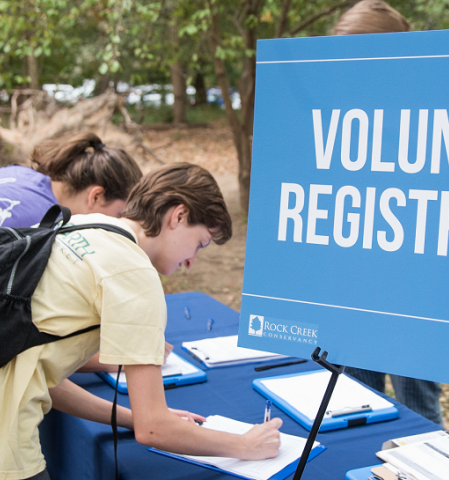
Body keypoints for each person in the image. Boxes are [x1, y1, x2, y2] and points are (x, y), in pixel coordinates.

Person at [0, 163, 282, 480]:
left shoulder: (80, 223)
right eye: (200, 243)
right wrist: (246, 445)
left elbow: (34, 373)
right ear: (178, 216)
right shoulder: (135, 275)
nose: (191, 261)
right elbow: (154, 430)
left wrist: (130, 416)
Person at [330, 0, 443, 427]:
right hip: (350, 289)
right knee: (359, 408)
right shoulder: (335, 114)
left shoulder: (432, 116)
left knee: (418, 414)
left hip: (415, 293)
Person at [0, 132, 154, 374]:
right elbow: (19, 344)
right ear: (96, 195)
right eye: (118, 215)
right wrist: (122, 360)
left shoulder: (23, 174)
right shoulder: (43, 226)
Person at [0, 132, 143, 228]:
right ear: (96, 197)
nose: (118, 225)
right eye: (119, 214)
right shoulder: (46, 226)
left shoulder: (20, 172)